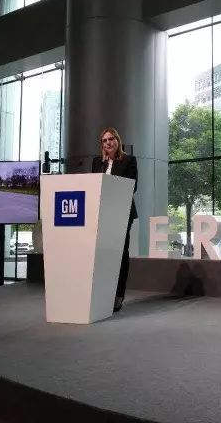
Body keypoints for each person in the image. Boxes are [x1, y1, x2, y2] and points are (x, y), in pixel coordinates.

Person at [92, 127, 137, 312]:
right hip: (101, 214)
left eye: (111, 139)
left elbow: (133, 186)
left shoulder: (129, 160)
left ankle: (118, 295)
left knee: (120, 253)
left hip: (122, 212)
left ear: (118, 141)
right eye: (104, 140)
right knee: (103, 254)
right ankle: (103, 294)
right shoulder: (97, 162)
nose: (108, 143)